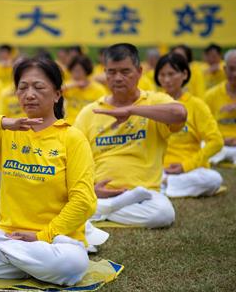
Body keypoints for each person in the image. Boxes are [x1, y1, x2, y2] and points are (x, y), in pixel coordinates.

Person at [0, 57, 105, 286]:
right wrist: (1, 122)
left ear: (57, 94)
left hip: (56, 240)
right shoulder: (8, 134)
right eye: (22, 88)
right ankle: (32, 265)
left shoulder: (72, 138)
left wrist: (41, 236)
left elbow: (84, 201)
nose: (29, 94)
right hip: (10, 234)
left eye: (38, 87)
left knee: (72, 265)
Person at [74, 43, 187, 228]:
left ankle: (97, 212)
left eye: (125, 71)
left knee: (163, 214)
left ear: (140, 71)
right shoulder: (90, 112)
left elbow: (180, 113)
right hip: (100, 193)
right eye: (111, 72)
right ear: (105, 73)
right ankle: (103, 207)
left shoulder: (154, 101)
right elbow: (74, 158)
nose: (117, 78)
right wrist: (90, 190)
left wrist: (132, 110)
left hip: (143, 195)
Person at [154, 53, 224, 198]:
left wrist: (186, 166)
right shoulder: (152, 103)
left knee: (214, 179)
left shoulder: (196, 105)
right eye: (162, 75)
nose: (166, 80)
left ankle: (163, 186)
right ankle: (164, 185)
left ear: (184, 74)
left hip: (190, 170)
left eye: (171, 74)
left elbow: (216, 142)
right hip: (157, 168)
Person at [63, 55, 106, 124]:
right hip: (69, 124)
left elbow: (103, 108)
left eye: (79, 70)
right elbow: (53, 93)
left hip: (88, 123)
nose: (75, 74)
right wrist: (72, 85)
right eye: (73, 70)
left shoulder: (98, 89)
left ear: (86, 71)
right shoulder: (69, 86)